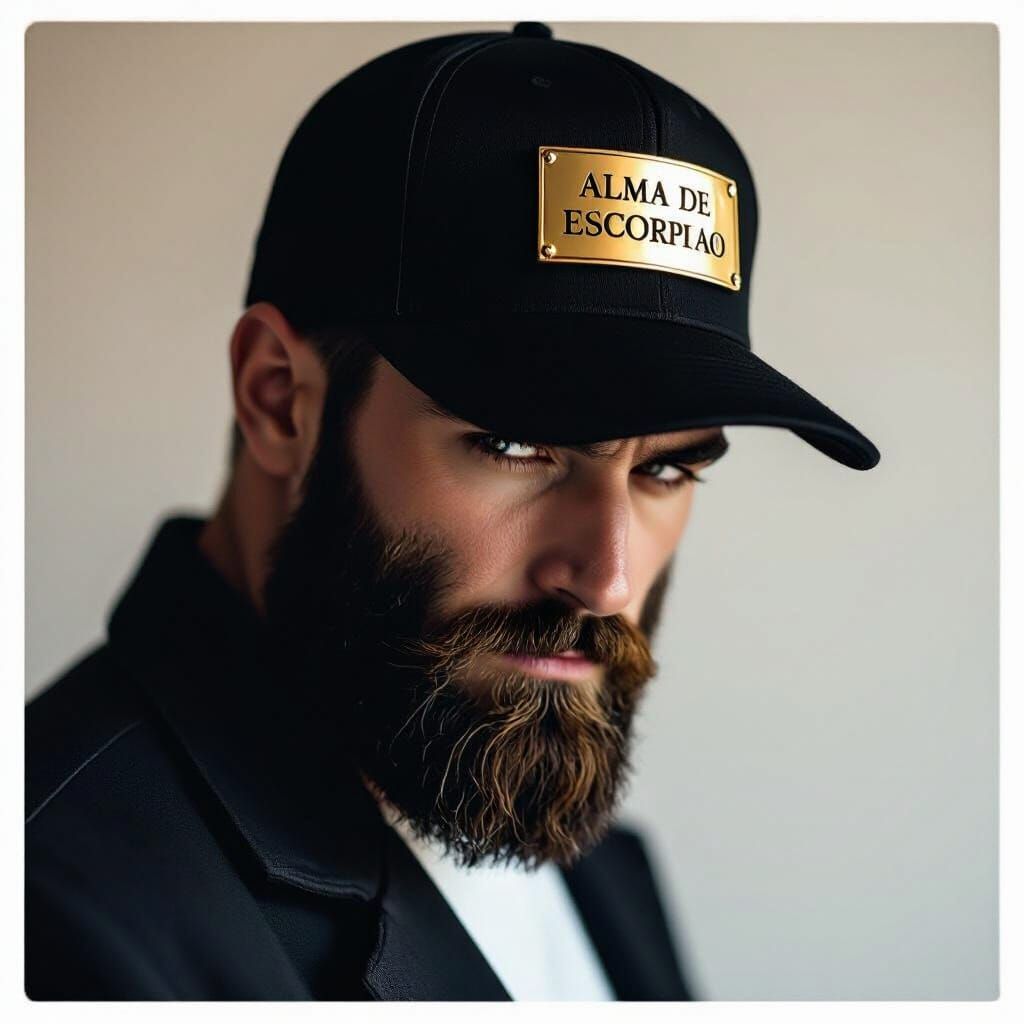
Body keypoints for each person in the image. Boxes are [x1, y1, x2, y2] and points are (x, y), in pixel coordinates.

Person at [25, 22, 880, 1001]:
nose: (606, 578)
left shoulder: (592, 865)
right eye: (517, 446)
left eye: (666, 471)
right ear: (277, 398)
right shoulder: (57, 915)